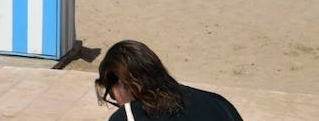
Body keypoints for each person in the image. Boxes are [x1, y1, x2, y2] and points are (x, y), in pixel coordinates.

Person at [95, 39, 242, 120]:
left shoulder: (127, 117)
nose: (118, 103)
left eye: (112, 95)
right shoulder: (218, 103)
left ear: (122, 82)